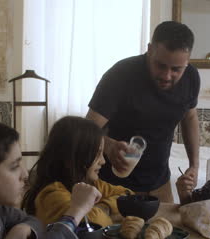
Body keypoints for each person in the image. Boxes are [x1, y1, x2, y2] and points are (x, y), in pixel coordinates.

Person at [86, 21, 201, 202]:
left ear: (188, 61)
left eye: (176, 69)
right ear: (150, 49)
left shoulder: (191, 77)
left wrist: (194, 164)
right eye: (161, 65)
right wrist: (108, 145)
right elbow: (86, 129)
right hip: (111, 185)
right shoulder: (121, 74)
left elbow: (190, 116)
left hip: (159, 183)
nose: (166, 75)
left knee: (164, 230)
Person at [22, 116, 132, 228]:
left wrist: (105, 206)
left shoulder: (92, 185)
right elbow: (95, 223)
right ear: (76, 155)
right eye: (97, 153)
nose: (103, 161)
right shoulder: (52, 194)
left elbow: (128, 197)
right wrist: (110, 213)